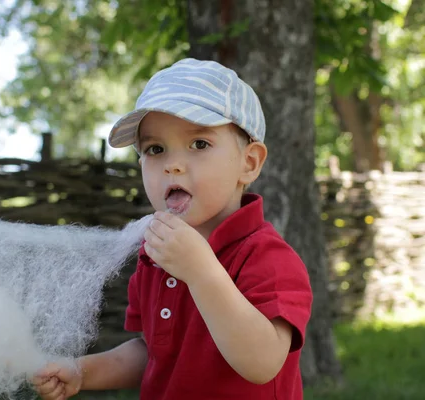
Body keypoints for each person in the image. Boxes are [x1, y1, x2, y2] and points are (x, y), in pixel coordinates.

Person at [30, 58, 313, 400]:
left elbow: (263, 363)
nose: (172, 165)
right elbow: (154, 353)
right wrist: (81, 372)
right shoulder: (156, 256)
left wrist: (201, 272)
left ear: (248, 163)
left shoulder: (267, 257)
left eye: (199, 144)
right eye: (155, 149)